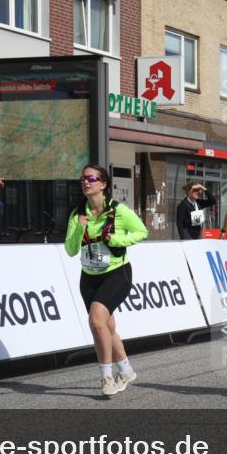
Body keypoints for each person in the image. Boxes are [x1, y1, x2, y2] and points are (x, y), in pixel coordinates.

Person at [65, 165, 149, 398]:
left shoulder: (119, 211)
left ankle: (106, 377)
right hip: (89, 276)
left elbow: (142, 231)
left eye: (91, 178)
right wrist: (78, 230)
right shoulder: (77, 214)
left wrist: (118, 239)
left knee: (96, 320)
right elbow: (71, 250)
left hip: (116, 273)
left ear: (103, 184)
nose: (86, 182)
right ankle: (126, 370)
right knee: (107, 326)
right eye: (82, 178)